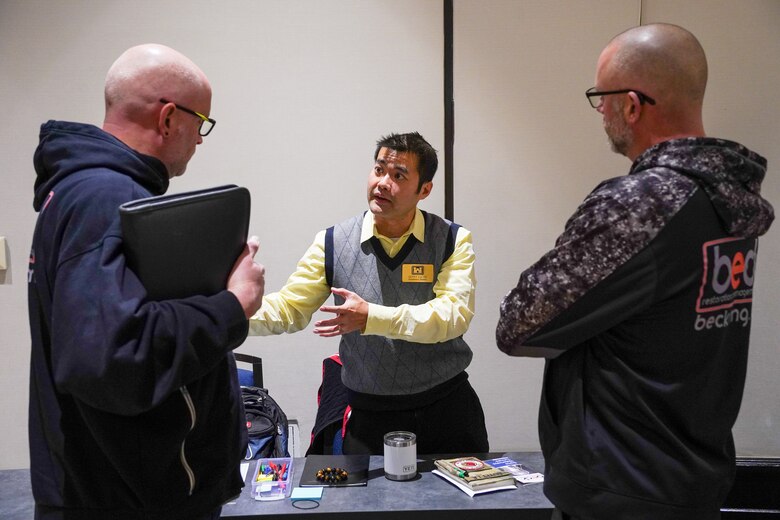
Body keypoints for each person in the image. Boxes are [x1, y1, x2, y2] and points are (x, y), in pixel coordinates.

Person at [495, 24, 774, 520]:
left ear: (630, 104)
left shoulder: (641, 204)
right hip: (694, 480)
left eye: (600, 97)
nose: (599, 111)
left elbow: (518, 324)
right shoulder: (726, 200)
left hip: (620, 489)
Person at [27, 44, 266, 520]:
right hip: (126, 499)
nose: (200, 140)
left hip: (106, 488)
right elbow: (111, 357)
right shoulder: (104, 199)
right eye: (201, 123)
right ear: (169, 118)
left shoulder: (82, 192)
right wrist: (232, 305)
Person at [250, 132, 489, 455]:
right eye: (379, 170)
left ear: (425, 190)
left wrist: (372, 317)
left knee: (457, 507)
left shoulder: (451, 239)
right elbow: (290, 309)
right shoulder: (333, 241)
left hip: (445, 408)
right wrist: (230, 311)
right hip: (368, 415)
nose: (383, 183)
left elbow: (452, 317)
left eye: (398, 175)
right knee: (366, 507)